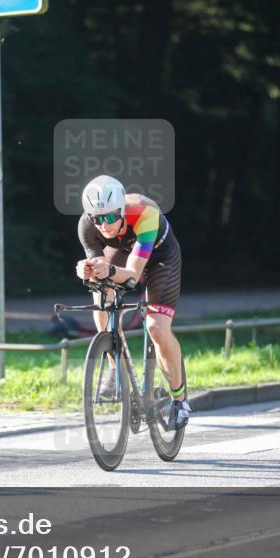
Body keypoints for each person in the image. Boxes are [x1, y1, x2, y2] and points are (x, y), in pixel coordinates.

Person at [75, 175, 190, 430]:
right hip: (123, 251)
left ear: (121, 211)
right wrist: (87, 270)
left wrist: (109, 271)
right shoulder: (87, 225)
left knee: (156, 328)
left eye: (109, 218)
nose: (103, 225)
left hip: (161, 257)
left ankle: (179, 399)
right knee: (101, 297)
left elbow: (132, 276)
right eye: (97, 219)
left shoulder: (144, 213)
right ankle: (115, 367)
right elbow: (99, 269)